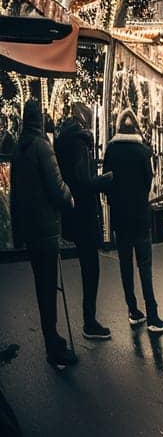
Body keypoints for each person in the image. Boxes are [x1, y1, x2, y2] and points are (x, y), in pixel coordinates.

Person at [8, 99, 79, 369]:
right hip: (47, 229)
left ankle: (52, 338)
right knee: (50, 288)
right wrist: (69, 198)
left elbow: (14, 196)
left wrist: (17, 233)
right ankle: (54, 347)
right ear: (40, 119)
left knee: (43, 288)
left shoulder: (19, 148)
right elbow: (56, 184)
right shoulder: (41, 146)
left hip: (30, 229)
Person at [55, 102, 116, 338]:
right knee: (91, 269)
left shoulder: (63, 141)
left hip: (72, 213)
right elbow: (84, 183)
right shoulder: (79, 145)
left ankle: (88, 319)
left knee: (87, 266)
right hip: (84, 214)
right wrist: (105, 179)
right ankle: (89, 321)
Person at [103, 110, 163, 334]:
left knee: (125, 265)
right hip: (140, 215)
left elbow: (107, 180)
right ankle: (153, 315)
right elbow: (148, 181)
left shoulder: (111, 149)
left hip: (120, 216)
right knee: (145, 266)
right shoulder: (142, 151)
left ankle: (133, 310)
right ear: (136, 127)